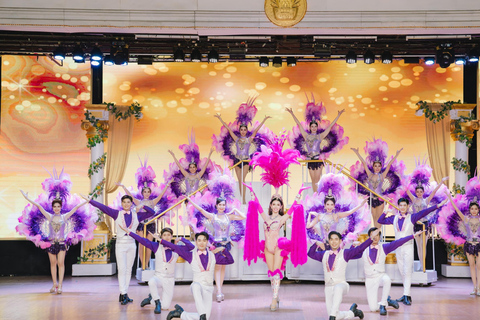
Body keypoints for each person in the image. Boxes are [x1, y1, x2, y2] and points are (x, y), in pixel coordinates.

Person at [244, 184, 309, 311]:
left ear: (280, 207)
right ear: (270, 205)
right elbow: (257, 206)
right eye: (273, 204)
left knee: (276, 274)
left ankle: (274, 299)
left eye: (278, 205)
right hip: (267, 249)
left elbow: (292, 209)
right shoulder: (265, 217)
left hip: (278, 248)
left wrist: (299, 192)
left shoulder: (281, 219)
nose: (275, 206)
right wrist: (252, 191)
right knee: (271, 274)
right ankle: (276, 294)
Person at [83, 194, 156, 305]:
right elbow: (103, 207)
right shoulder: (116, 213)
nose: (126, 204)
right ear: (121, 204)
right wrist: (90, 201)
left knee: (128, 270)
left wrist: (142, 206)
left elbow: (152, 213)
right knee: (122, 269)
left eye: (128, 202)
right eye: (124, 202)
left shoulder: (137, 215)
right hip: (120, 244)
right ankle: (123, 293)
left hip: (132, 244)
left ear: (131, 204)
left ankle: (125, 293)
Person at [377, 197, 447, 305]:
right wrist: (386, 210)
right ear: (398, 206)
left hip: (408, 247)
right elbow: (380, 221)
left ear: (407, 206)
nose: (402, 207)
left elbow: (425, 212)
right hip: (398, 248)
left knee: (407, 271)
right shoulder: (394, 218)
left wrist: (438, 205)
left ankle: (406, 295)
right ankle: (406, 295)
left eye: (404, 205)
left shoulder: (412, 217)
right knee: (402, 272)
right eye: (400, 205)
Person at [20, 190, 90, 294]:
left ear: (61, 207)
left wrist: (86, 201)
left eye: (58, 206)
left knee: (61, 263)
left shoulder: (64, 217)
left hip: (61, 244)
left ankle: (60, 285)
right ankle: (54, 284)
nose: (56, 208)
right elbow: (39, 206)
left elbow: (75, 208)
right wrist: (27, 198)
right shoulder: (50, 216)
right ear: (52, 208)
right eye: (54, 206)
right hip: (51, 243)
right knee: (53, 264)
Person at [117, 225, 194, 314]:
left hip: (169, 279)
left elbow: (191, 247)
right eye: (164, 235)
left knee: (165, 306)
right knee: (151, 282)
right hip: (159, 277)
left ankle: (151, 300)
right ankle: (157, 302)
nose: (167, 237)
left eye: (169, 235)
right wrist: (129, 232)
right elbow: (142, 240)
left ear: (171, 236)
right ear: (161, 236)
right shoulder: (156, 246)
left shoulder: (177, 249)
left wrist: (181, 238)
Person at [308, 229, 381, 320]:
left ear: (340, 241)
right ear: (329, 241)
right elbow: (310, 254)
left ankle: (332, 316)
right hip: (328, 287)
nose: (334, 242)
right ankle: (352, 312)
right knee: (335, 315)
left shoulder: (345, 253)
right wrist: (316, 243)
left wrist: (371, 238)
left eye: (336, 239)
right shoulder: (324, 254)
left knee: (334, 307)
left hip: (342, 285)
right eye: (331, 239)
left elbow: (360, 249)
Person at [186, 194, 245, 302]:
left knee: (223, 267)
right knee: (218, 267)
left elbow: (243, 217)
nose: (222, 207)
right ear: (216, 206)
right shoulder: (213, 216)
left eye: (223, 205)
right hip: (217, 245)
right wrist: (190, 200)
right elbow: (200, 209)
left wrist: (235, 209)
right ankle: (218, 291)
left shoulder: (229, 216)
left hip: (226, 244)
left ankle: (220, 289)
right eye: (220, 205)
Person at [355, 227, 426, 316]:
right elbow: (351, 255)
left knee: (387, 280)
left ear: (380, 237)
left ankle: (383, 305)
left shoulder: (384, 247)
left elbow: (398, 242)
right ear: (369, 237)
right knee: (373, 308)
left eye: (377, 235)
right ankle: (387, 302)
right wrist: (353, 245)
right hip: (369, 279)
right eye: (373, 235)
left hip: (380, 276)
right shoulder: (363, 249)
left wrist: (412, 236)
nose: (375, 237)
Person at [164, 232, 231, 320]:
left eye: (204, 240)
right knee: (195, 286)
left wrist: (223, 250)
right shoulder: (190, 255)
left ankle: (181, 314)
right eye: (199, 240)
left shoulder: (214, 256)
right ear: (196, 242)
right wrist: (160, 240)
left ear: (207, 242)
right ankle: (202, 314)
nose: (201, 243)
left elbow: (230, 260)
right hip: (197, 286)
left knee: (205, 318)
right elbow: (175, 248)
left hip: (208, 288)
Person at [214, 113, 271, 204]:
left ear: (246, 130)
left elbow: (256, 130)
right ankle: (241, 198)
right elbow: (228, 129)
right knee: (239, 180)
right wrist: (220, 119)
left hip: (245, 161)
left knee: (242, 179)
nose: (243, 131)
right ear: (240, 130)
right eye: (242, 130)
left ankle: (243, 199)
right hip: (237, 161)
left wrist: (264, 120)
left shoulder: (249, 140)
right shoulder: (236, 139)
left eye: (245, 130)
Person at [285, 107, 345, 193]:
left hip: (318, 160)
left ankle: (319, 195)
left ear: (317, 128)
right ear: (310, 127)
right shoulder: (306, 136)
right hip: (310, 160)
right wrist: (292, 113)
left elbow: (330, 126)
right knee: (313, 181)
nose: (313, 128)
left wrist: (338, 115)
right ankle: (315, 195)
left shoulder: (320, 136)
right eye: (312, 126)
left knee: (317, 180)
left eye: (315, 126)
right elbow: (298, 124)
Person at [117, 178, 173, 268]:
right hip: (141, 225)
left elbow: (162, 194)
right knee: (141, 244)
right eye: (145, 192)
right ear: (142, 193)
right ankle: (143, 264)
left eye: (148, 192)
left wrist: (167, 185)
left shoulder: (153, 202)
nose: (146, 193)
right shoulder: (138, 202)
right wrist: (123, 186)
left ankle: (146, 264)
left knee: (149, 245)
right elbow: (129, 195)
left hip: (151, 224)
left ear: (150, 193)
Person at [351, 146, 403, 228]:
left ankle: (378, 237)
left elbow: (389, 165)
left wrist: (396, 155)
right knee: (374, 218)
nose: (377, 168)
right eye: (376, 166)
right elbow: (364, 163)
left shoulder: (382, 176)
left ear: (381, 167)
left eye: (379, 166)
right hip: (371, 199)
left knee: (379, 219)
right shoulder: (370, 175)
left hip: (380, 199)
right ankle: (376, 237)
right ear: (373, 167)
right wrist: (357, 153)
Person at [405, 176, 448, 270]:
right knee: (418, 246)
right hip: (416, 225)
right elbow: (406, 189)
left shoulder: (426, 200)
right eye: (417, 192)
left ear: (423, 192)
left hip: (424, 224)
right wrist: (403, 179)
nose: (419, 193)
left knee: (423, 246)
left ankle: (422, 264)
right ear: (415, 192)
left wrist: (440, 182)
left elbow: (434, 192)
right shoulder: (413, 199)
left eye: (421, 192)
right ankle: (421, 264)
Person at [445, 191, 480, 295]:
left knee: (479, 266)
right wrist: (450, 198)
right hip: (469, 245)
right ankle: (474, 288)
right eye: (472, 209)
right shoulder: (466, 219)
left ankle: (479, 287)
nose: (474, 211)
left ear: (478, 210)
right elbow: (456, 209)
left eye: (476, 209)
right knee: (472, 265)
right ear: (470, 210)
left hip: (479, 245)